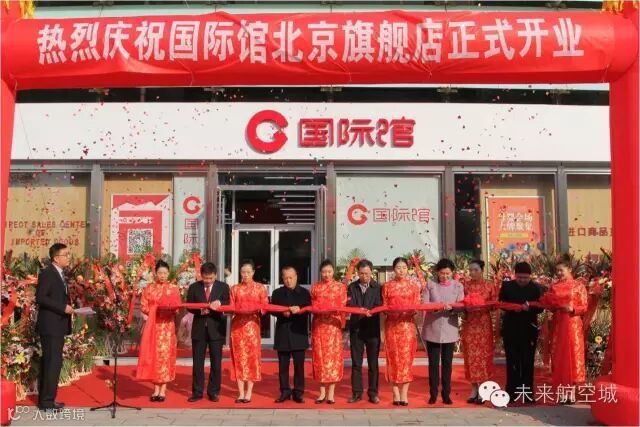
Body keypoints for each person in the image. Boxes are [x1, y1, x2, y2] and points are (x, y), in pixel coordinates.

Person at [498, 261, 545, 404]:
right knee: (512, 362)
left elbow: (541, 307)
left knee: (527, 362)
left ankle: (528, 394)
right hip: (511, 329)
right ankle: (511, 393)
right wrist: (513, 308)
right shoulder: (507, 286)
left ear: (530, 276)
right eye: (519, 277)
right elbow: (501, 303)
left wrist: (529, 308)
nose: (522, 280)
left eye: (525, 278)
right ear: (515, 275)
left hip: (529, 329)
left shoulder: (536, 288)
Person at [136, 260, 181, 402]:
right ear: (156, 273)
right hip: (153, 326)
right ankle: (155, 389)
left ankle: (163, 390)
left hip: (167, 327)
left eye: (165, 273)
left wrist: (170, 309)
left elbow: (178, 307)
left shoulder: (173, 288)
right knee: (154, 356)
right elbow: (143, 305)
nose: (162, 275)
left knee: (165, 357)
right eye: (160, 273)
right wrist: (154, 309)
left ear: (168, 273)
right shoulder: (149, 288)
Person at [36, 243, 74, 411]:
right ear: (56, 258)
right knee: (52, 363)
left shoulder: (60, 273)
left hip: (57, 325)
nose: (68, 257)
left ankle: (47, 400)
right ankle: (47, 402)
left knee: (53, 362)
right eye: (66, 254)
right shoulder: (48, 273)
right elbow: (40, 297)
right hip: (50, 326)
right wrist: (62, 307)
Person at [422, 258, 465, 405]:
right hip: (432, 328)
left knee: (447, 364)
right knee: (433, 363)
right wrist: (437, 307)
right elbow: (425, 304)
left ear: (452, 273)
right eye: (442, 273)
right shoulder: (430, 284)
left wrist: (453, 308)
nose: (445, 276)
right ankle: (433, 394)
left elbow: (462, 305)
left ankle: (446, 394)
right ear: (437, 272)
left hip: (449, 328)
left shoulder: (458, 286)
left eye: (448, 273)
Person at [186, 262, 230, 403]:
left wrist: (219, 303)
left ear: (215, 275)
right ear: (201, 275)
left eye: (210, 278)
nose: (208, 281)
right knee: (197, 363)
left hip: (216, 329)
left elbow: (228, 302)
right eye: (205, 278)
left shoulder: (223, 287)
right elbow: (189, 306)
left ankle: (213, 392)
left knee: (216, 363)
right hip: (199, 329)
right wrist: (200, 310)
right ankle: (197, 392)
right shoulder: (194, 287)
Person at [548, 257, 588, 404]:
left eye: (561, 270)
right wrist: (551, 306)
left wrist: (572, 309)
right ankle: (562, 393)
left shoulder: (579, 286)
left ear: (569, 269)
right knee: (559, 357)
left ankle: (570, 393)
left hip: (573, 326)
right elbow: (550, 305)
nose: (558, 273)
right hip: (558, 325)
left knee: (573, 356)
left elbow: (584, 306)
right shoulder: (554, 287)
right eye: (557, 270)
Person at [382, 257, 421, 406]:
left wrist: (409, 311)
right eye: (398, 268)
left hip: (407, 327)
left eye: (404, 267)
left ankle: (404, 394)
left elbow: (417, 306)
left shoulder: (413, 287)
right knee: (393, 360)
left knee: (406, 361)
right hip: (392, 327)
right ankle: (395, 393)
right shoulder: (387, 286)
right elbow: (384, 307)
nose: (401, 270)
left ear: (408, 269)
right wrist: (392, 311)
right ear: (394, 269)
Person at [270, 266, 311, 404]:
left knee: (299, 367)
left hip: (298, 333)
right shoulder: (277, 293)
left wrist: (299, 310)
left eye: (291, 277)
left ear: (296, 277)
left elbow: (309, 309)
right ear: (282, 278)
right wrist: (282, 312)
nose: (288, 280)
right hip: (283, 333)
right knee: (283, 366)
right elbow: (272, 309)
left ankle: (298, 392)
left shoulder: (304, 293)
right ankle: (285, 392)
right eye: (286, 278)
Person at [230, 259, 268, 404]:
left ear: (253, 272)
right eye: (243, 272)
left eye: (248, 272)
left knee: (251, 358)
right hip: (237, 328)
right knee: (239, 358)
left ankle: (249, 392)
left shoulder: (260, 288)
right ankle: (240, 392)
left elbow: (265, 306)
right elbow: (231, 307)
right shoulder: (235, 289)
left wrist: (259, 309)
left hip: (252, 327)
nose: (245, 275)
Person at [310, 259, 347, 404]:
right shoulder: (315, 287)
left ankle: (331, 393)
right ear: (320, 272)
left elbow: (343, 307)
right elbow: (312, 305)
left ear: (333, 272)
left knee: (333, 360)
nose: (326, 274)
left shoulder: (340, 287)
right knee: (320, 359)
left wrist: (341, 321)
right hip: (319, 327)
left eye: (329, 271)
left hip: (333, 328)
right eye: (324, 272)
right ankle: (322, 392)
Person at [346, 259, 382, 404]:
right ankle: (357, 393)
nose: (364, 276)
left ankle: (373, 393)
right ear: (357, 273)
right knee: (356, 363)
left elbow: (380, 304)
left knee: (373, 364)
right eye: (361, 273)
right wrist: (360, 311)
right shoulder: (352, 287)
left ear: (371, 272)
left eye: (367, 273)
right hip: (356, 329)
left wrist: (370, 311)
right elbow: (349, 304)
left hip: (372, 330)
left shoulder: (378, 287)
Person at [461, 259, 497, 404]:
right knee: (470, 356)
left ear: (482, 270)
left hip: (483, 325)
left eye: (476, 270)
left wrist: (484, 305)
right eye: (470, 270)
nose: (473, 272)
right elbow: (460, 303)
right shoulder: (465, 286)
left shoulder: (489, 285)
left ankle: (483, 389)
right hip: (470, 324)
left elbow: (494, 305)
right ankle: (473, 389)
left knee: (483, 357)